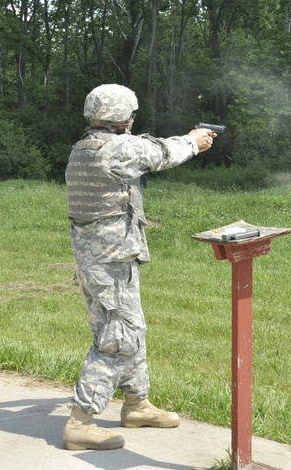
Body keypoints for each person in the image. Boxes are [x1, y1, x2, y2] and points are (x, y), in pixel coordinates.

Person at [62, 84, 215, 451]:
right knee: (121, 336)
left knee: (128, 327)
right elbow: (161, 152)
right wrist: (194, 141)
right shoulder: (117, 149)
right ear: (124, 119)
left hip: (98, 258)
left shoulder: (83, 148)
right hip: (111, 259)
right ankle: (81, 421)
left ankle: (136, 404)